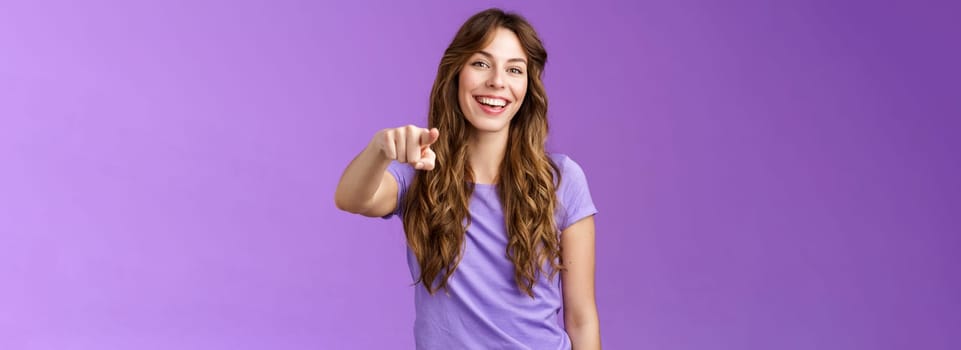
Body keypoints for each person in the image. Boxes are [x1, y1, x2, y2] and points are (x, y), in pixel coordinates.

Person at [334, 8, 600, 350]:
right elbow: (351, 199)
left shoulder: (563, 179)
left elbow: (581, 318)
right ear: (456, 72)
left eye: (514, 70)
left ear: (528, 87)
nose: (497, 82)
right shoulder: (420, 172)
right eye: (481, 63)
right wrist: (379, 149)